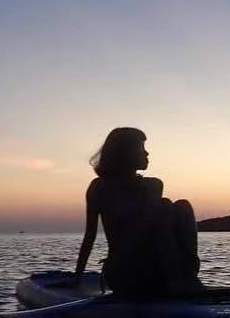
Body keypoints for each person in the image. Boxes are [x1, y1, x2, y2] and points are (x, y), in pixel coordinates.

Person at [74, 127, 204, 298]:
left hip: (158, 268)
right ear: (124, 153)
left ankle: (186, 275)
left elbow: (153, 230)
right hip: (125, 272)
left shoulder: (154, 184)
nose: (147, 153)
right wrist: (77, 279)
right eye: (141, 148)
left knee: (182, 206)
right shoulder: (99, 187)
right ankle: (178, 281)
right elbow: (90, 235)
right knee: (164, 205)